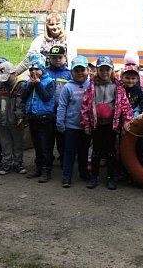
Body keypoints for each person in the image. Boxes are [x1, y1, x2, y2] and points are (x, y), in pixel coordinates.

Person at [81, 56, 132, 190]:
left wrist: (126, 120)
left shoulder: (118, 86)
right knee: (96, 151)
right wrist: (86, 123)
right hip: (96, 124)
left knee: (111, 151)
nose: (104, 72)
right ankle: (94, 176)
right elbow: (85, 105)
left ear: (112, 70)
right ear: (97, 70)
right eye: (102, 69)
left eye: (107, 70)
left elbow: (125, 105)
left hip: (111, 124)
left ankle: (110, 177)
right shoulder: (91, 85)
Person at [56, 55, 91, 188]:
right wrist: (60, 123)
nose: (80, 73)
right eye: (76, 71)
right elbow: (62, 106)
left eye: (82, 70)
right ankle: (67, 175)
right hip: (71, 126)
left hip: (86, 127)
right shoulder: (68, 87)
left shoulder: (91, 85)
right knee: (69, 152)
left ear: (87, 70)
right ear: (72, 72)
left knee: (84, 151)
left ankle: (83, 172)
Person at [0, 62, 27, 176]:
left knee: (18, 143)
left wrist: (20, 116)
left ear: (14, 73)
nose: (4, 80)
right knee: (5, 143)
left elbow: (21, 102)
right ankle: (7, 164)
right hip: (2, 120)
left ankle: (18, 163)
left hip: (16, 121)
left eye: (7, 77)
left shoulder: (21, 85)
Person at [22, 54, 56, 183]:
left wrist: (38, 84)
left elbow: (46, 97)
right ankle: (38, 168)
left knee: (45, 145)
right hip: (33, 117)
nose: (33, 72)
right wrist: (31, 85)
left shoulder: (49, 81)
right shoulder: (28, 82)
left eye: (36, 69)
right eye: (31, 69)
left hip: (45, 118)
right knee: (37, 145)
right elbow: (23, 97)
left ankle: (47, 170)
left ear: (42, 68)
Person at [46, 45, 72, 166]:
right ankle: (48, 161)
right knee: (48, 139)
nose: (57, 60)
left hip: (63, 114)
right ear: (49, 58)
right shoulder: (45, 72)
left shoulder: (69, 74)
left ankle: (63, 159)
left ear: (65, 58)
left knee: (63, 140)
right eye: (54, 57)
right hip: (48, 113)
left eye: (60, 57)